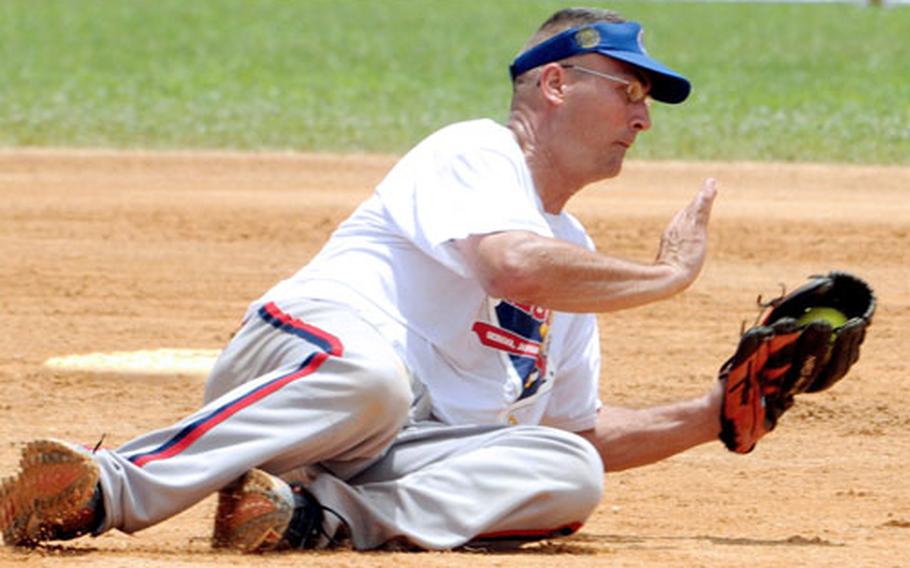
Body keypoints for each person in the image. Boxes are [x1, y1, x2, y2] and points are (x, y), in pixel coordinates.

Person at [0, 7, 723, 552]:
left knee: (567, 472)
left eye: (646, 99)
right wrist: (666, 275)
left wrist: (711, 413)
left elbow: (578, 430)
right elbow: (510, 264)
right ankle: (103, 490)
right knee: (375, 380)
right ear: (556, 82)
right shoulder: (476, 150)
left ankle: (311, 518)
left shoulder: (578, 258)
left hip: (386, 452)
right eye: (629, 89)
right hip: (299, 369)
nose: (643, 117)